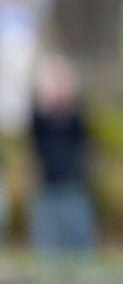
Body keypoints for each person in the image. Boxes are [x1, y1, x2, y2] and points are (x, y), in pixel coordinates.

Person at [27, 53, 96, 253]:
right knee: (47, 246)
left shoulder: (75, 116)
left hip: (73, 185)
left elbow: (79, 125)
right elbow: (36, 125)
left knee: (79, 245)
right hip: (47, 187)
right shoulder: (40, 119)